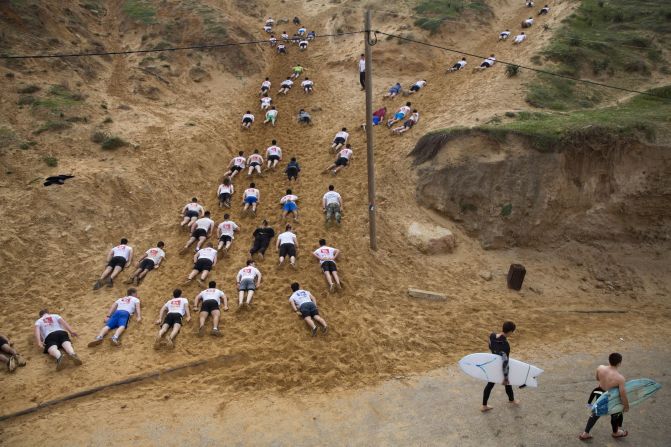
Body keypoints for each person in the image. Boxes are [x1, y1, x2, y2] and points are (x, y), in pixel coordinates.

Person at [579, 353, 630, 441]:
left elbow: (597, 379)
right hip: (611, 397)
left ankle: (585, 434)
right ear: (619, 363)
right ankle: (616, 432)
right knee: (615, 414)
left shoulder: (600, 368)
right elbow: (622, 395)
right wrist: (626, 406)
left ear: (609, 360)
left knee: (595, 413)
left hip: (600, 393)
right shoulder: (620, 378)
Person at [481, 321, 519, 412]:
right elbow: (505, 362)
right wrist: (505, 377)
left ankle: (484, 406)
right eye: (512, 332)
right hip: (500, 367)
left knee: (490, 385)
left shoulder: (492, 336)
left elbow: (490, 345)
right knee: (507, 382)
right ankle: (512, 400)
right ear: (509, 332)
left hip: (493, 364)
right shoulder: (505, 346)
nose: (512, 333)